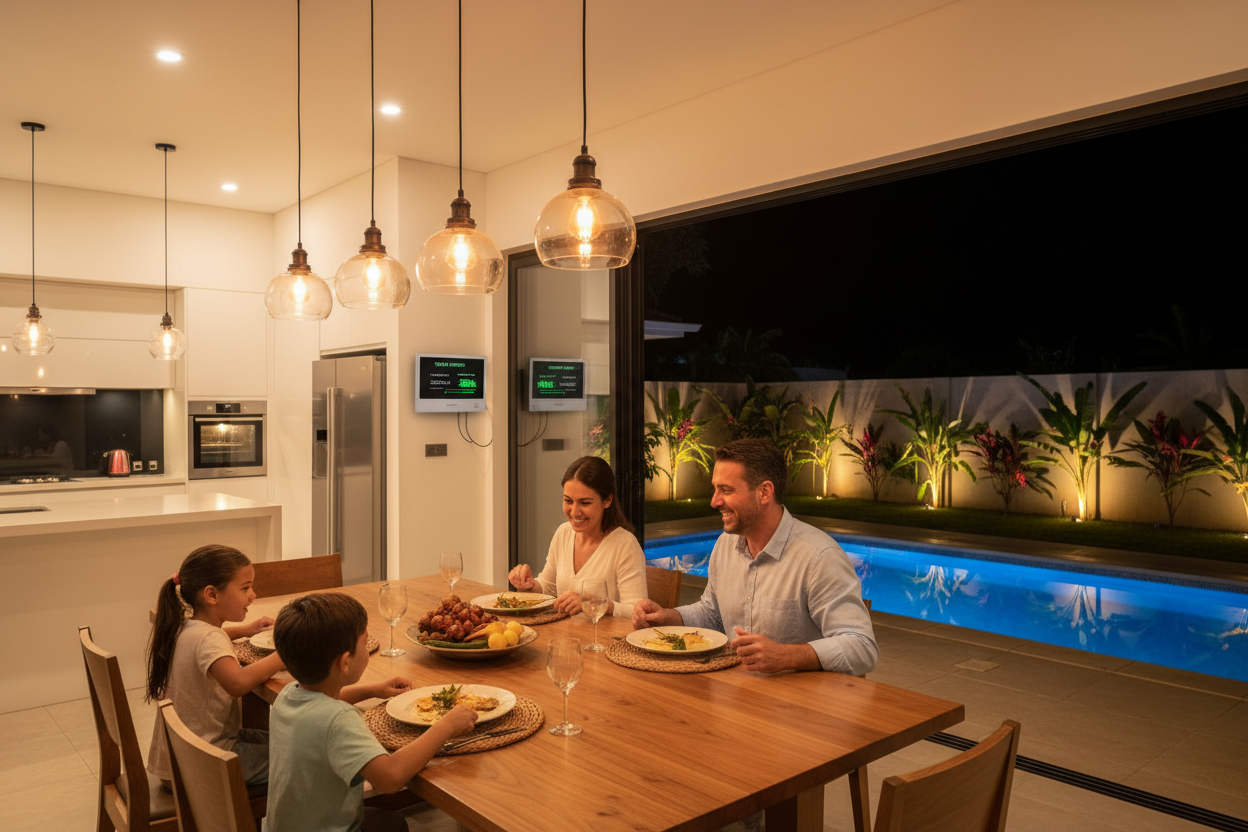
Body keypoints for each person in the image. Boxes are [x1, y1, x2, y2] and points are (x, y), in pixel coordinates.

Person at [633, 438, 878, 675]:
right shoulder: (725, 545)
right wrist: (669, 617)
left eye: (726, 490)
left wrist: (787, 655)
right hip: (736, 694)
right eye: (715, 489)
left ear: (764, 492)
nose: (714, 501)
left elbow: (862, 647)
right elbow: (713, 614)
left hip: (799, 707)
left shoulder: (819, 557)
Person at [264, 592, 476, 832]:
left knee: (391, 823)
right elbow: (389, 778)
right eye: (365, 643)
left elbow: (319, 702)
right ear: (345, 663)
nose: (368, 648)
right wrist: (446, 726)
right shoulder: (338, 719)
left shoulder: (287, 696)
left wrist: (373, 690)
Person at [145, 545, 284, 786]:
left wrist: (245, 630)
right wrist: (286, 652)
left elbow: (206, 643)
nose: (253, 595)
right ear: (211, 595)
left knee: (289, 743)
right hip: (206, 761)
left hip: (181, 756)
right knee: (301, 759)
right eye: (245, 588)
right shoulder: (210, 638)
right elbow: (237, 684)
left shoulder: (184, 627)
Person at [508, 456, 648, 618]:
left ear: (607, 500)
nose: (574, 512)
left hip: (606, 642)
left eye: (585, 503)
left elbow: (638, 612)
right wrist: (528, 586)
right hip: (568, 638)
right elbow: (548, 586)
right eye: (568, 501)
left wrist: (597, 603)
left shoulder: (625, 545)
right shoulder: (563, 533)